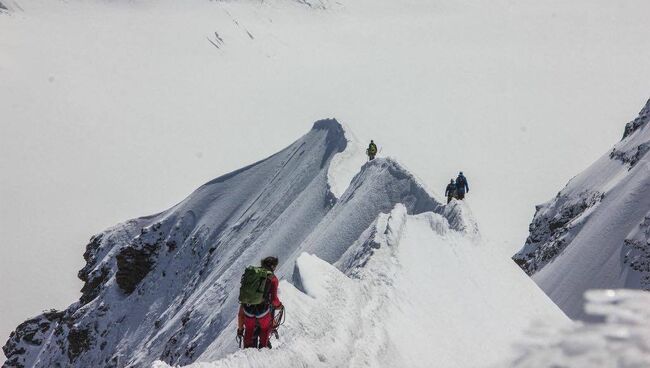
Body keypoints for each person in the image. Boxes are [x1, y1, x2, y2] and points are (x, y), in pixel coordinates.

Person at [237, 256, 283, 349]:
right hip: (262, 311)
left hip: (248, 309)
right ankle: (263, 350)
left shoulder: (253, 274)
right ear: (273, 266)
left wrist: (240, 328)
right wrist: (279, 306)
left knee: (249, 329)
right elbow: (274, 299)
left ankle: (248, 352)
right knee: (265, 329)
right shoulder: (272, 278)